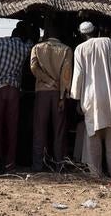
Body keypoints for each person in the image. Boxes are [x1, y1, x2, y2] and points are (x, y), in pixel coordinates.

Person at [71, 22, 111, 178]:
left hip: (90, 98)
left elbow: (78, 75)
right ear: (96, 31)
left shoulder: (80, 48)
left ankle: (96, 174)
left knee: (93, 138)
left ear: (82, 34)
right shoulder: (108, 42)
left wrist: (76, 99)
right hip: (109, 95)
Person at [30, 22, 73, 172]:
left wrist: (47, 81)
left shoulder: (37, 48)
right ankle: (59, 165)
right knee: (59, 130)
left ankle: (37, 165)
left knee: (39, 130)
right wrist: (62, 96)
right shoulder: (66, 50)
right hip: (58, 94)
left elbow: (33, 67)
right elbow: (66, 75)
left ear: (46, 34)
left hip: (42, 92)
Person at [0, 24, 31, 173]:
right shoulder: (25, 48)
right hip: (14, 88)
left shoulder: (1, 42)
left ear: (12, 33)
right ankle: (10, 162)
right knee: (12, 127)